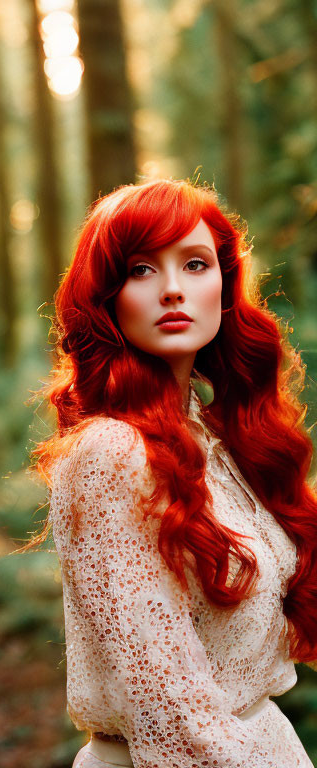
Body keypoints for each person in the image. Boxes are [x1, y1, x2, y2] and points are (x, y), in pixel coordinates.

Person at [22, 179, 317, 767]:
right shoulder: (109, 454)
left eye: (196, 263)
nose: (174, 290)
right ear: (106, 298)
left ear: (226, 289)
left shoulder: (216, 436)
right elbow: (169, 711)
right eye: (140, 270)